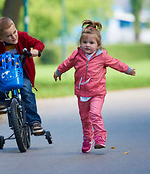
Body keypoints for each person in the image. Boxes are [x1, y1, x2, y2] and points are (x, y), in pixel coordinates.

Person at [53, 20, 136, 153]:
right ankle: (87, 138)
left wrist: (128, 70)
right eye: (84, 42)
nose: (87, 45)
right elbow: (67, 64)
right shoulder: (77, 55)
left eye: (91, 43)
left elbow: (116, 63)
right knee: (85, 119)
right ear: (80, 43)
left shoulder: (102, 56)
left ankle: (100, 139)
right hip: (82, 93)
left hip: (97, 93)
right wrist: (58, 71)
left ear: (98, 45)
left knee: (95, 114)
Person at [0, 17, 45, 134]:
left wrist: (36, 50)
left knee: (26, 92)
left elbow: (39, 44)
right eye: (9, 36)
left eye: (14, 32)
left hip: (22, 72)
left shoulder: (23, 37)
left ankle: (34, 122)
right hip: (5, 72)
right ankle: (3, 101)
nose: (14, 37)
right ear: (0, 38)